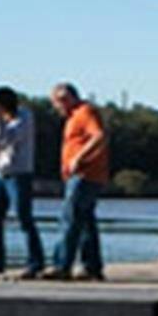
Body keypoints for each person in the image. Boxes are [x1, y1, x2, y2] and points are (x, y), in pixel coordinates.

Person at [45, 82, 108, 281]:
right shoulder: (74, 116)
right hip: (82, 176)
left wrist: (78, 158)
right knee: (86, 221)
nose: (57, 108)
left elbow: (99, 136)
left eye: (57, 103)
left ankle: (62, 264)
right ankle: (92, 267)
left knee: (70, 219)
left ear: (65, 99)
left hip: (84, 175)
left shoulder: (85, 112)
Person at [0, 86, 45, 278]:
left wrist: (1, 124)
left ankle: (35, 262)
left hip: (19, 173)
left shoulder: (25, 117)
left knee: (23, 217)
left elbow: (10, 138)